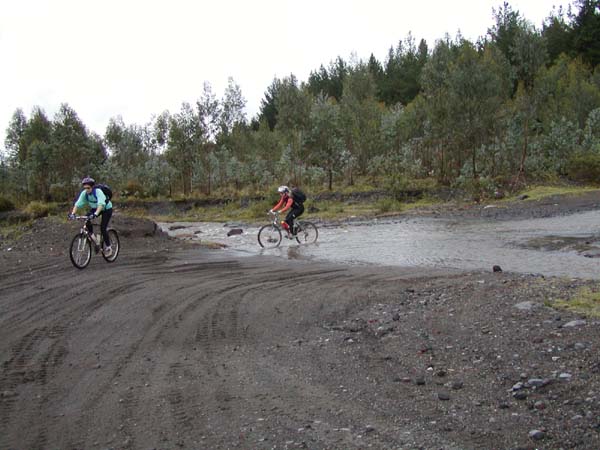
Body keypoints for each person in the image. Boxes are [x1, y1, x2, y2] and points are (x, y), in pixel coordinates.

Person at [68, 176, 113, 255]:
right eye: (85, 188)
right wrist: (73, 214)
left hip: (106, 208)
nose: (87, 190)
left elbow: (101, 204)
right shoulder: (84, 193)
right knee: (87, 220)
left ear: (92, 187)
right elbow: (77, 204)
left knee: (103, 228)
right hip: (95, 208)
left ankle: (109, 247)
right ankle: (96, 241)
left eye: (88, 188)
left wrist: (95, 214)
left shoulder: (98, 192)